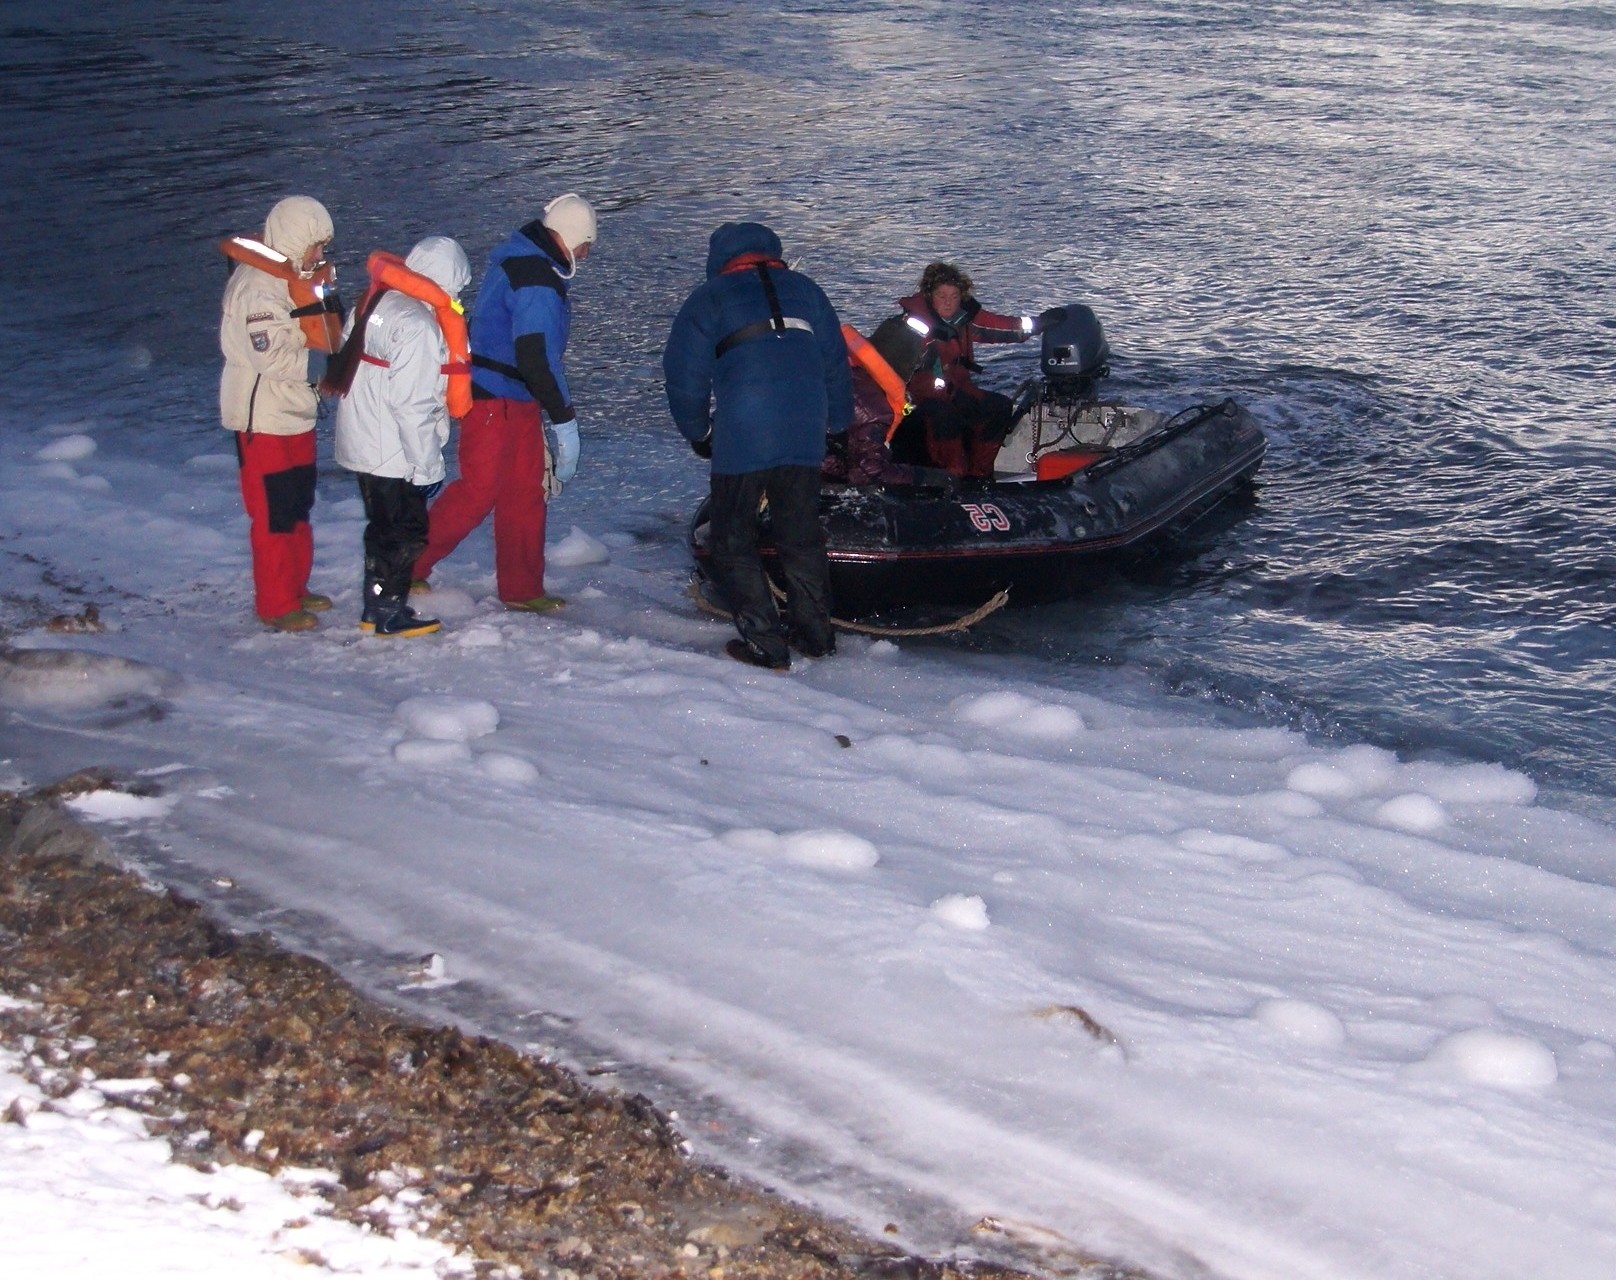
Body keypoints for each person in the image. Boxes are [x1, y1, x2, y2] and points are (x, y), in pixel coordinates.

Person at [663, 221, 852, 671]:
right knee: (801, 537)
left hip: (745, 430)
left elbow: (683, 375)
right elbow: (835, 364)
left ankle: (767, 644)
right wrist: (837, 425)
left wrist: (699, 432)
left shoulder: (709, 299)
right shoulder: (807, 290)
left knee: (731, 540)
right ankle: (816, 636)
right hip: (805, 427)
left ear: (720, 260)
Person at [410, 194, 596, 611]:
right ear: (569, 237)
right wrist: (565, 421)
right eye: (586, 243)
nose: (586, 253)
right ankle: (406, 564)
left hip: (516, 400)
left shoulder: (525, 260)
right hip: (494, 401)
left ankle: (523, 589)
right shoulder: (536, 280)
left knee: (525, 494)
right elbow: (535, 358)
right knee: (479, 491)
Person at [328, 235, 472, 638]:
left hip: (362, 440)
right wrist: (427, 467)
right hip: (393, 452)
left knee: (380, 528)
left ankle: (374, 604)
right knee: (405, 532)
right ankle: (389, 609)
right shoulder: (419, 326)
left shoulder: (375, 302)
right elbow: (413, 406)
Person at [218, 195, 344, 632]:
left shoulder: (298, 281)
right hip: (262, 418)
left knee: (297, 504)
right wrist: (325, 370)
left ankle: (294, 585)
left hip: (295, 413)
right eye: (316, 246)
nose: (320, 256)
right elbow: (269, 355)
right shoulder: (258, 287)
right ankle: (275, 602)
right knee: (272, 513)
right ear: (294, 240)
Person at [894, 261, 1063, 478]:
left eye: (954, 296)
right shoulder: (912, 324)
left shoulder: (963, 319)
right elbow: (894, 366)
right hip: (915, 400)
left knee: (998, 407)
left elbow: (1001, 326)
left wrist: (1040, 323)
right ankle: (951, 478)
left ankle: (979, 476)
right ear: (928, 295)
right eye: (941, 296)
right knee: (943, 417)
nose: (948, 303)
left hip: (954, 391)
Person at [823, 315, 951, 489]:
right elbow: (869, 473)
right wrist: (924, 477)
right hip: (814, 480)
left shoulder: (839, 371)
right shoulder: (873, 410)